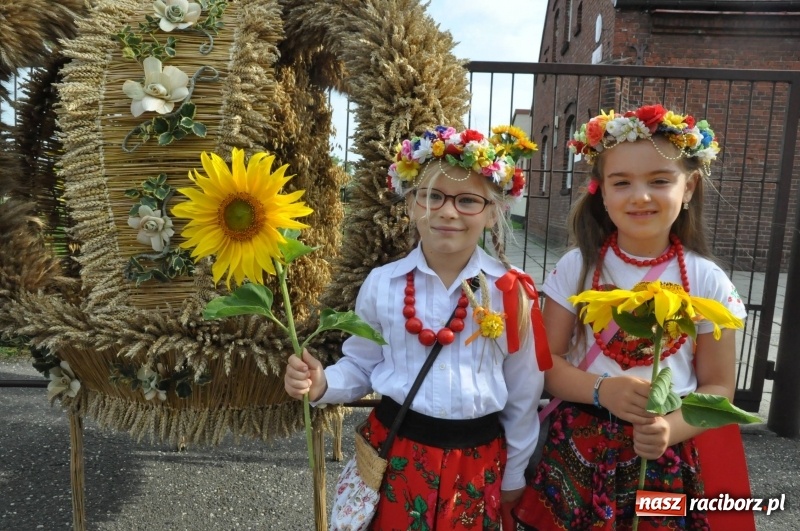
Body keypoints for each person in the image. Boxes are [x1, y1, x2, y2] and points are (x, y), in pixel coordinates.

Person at [285, 124, 549, 530]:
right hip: (396, 456)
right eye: (432, 196)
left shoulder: (510, 292)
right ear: (410, 204)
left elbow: (523, 393)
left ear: (492, 212)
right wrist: (323, 384)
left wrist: (514, 473)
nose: (448, 211)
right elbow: (361, 364)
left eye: (467, 200)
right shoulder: (382, 284)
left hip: (476, 463)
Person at [512, 105, 749, 530]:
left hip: (663, 454)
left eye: (659, 180)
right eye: (622, 182)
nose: (640, 196)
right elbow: (547, 365)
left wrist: (670, 429)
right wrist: (602, 389)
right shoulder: (576, 268)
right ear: (602, 192)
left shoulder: (707, 280)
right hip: (579, 447)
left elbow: (718, 387)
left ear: (690, 187)